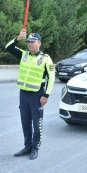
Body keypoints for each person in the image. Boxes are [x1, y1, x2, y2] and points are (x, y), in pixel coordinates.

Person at [5, 29, 55, 160]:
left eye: (33, 42)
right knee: (25, 123)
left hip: (37, 95)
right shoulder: (24, 55)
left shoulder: (45, 58)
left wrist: (46, 95)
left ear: (39, 43)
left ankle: (35, 148)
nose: (30, 44)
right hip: (23, 94)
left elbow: (51, 78)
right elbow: (8, 48)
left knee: (36, 124)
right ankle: (27, 146)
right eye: (28, 42)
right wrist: (18, 38)